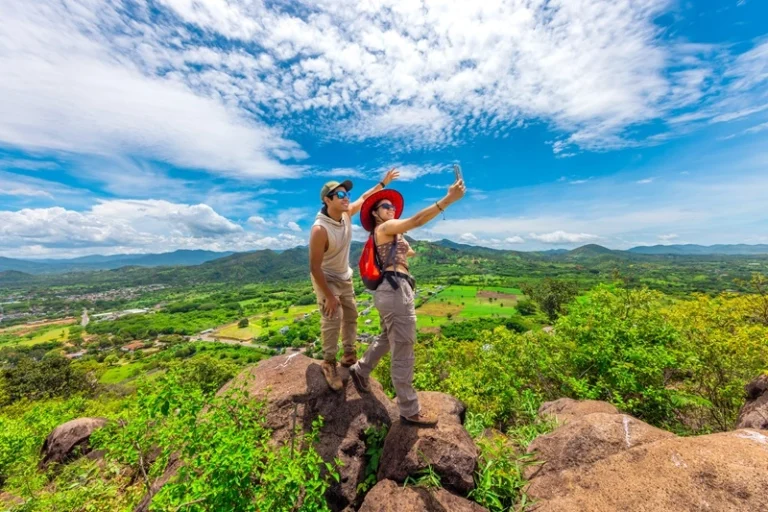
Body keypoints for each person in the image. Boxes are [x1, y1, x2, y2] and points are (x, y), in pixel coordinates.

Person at [349, 178, 466, 426]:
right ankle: (409, 410)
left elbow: (408, 249)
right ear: (375, 213)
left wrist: (403, 244)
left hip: (390, 290)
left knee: (385, 337)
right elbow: (416, 221)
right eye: (385, 206)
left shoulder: (388, 233)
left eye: (392, 206)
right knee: (404, 347)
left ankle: (360, 371)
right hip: (395, 290)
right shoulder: (385, 228)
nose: (390, 209)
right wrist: (447, 200)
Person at [309, 169, 400, 391]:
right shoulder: (320, 229)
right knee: (333, 315)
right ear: (327, 200)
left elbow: (366, 197)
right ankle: (329, 362)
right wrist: (329, 296)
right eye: (339, 195)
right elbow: (314, 266)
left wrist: (383, 183)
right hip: (325, 276)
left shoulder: (346, 214)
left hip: (344, 276)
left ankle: (349, 354)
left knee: (351, 314)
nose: (346, 197)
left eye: (346, 194)